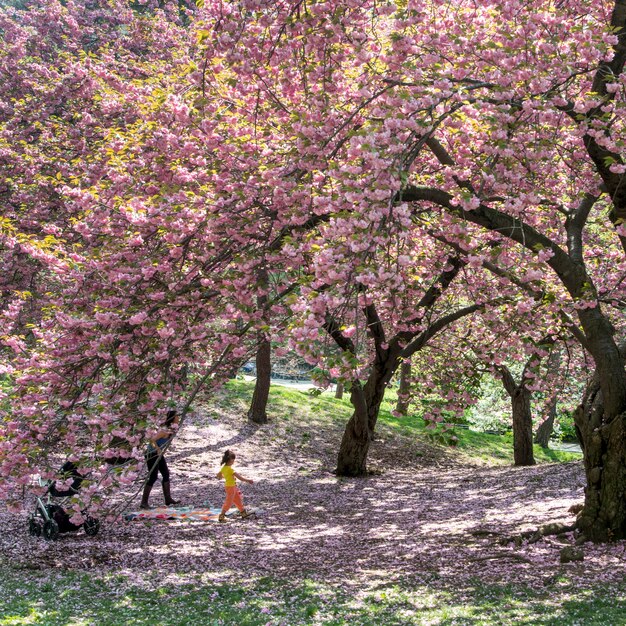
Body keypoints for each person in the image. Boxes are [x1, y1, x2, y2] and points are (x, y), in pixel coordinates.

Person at [140, 409, 181, 509]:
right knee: (153, 477)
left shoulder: (172, 429)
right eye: (177, 416)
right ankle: (144, 502)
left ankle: (168, 499)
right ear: (172, 418)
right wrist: (158, 449)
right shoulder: (164, 431)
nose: (178, 418)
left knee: (166, 474)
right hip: (151, 454)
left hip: (158, 454)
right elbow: (152, 440)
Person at [216, 449, 254, 522]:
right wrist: (248, 480)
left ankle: (243, 513)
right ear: (228, 460)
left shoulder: (223, 468)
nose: (233, 462)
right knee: (229, 501)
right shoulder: (230, 470)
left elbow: (218, 476)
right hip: (230, 487)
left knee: (237, 500)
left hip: (231, 486)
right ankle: (221, 516)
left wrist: (226, 477)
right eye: (232, 461)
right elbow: (240, 478)